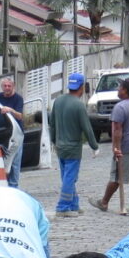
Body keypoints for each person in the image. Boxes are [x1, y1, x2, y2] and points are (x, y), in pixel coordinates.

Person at [90, 78, 129, 215]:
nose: (117, 90)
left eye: (119, 87)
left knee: (116, 177)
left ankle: (104, 202)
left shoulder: (120, 107)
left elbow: (117, 130)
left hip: (127, 146)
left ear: (125, 91)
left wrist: (116, 148)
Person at [49, 73, 99, 216]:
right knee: (70, 177)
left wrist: (54, 141)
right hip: (73, 148)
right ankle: (63, 207)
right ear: (82, 87)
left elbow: (52, 124)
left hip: (60, 146)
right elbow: (87, 128)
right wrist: (94, 146)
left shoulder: (58, 101)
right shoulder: (79, 105)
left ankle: (74, 204)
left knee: (67, 176)